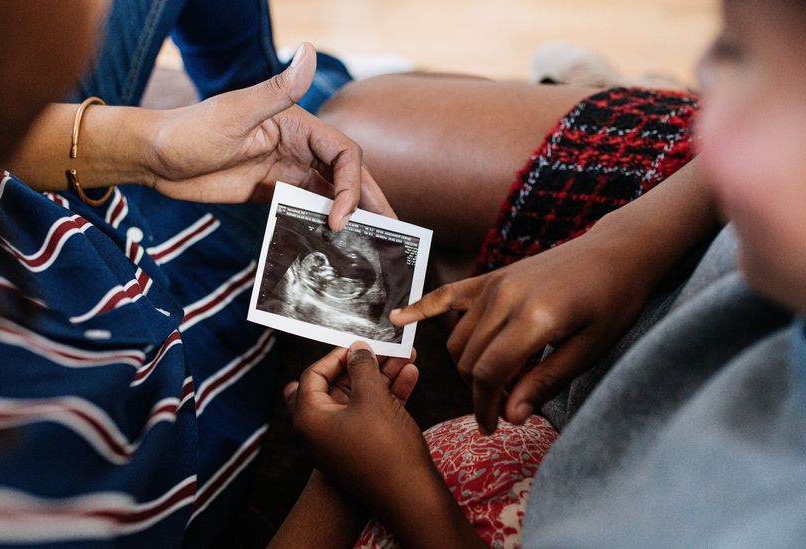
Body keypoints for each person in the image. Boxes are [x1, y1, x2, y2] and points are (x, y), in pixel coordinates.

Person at [0, 1, 391, 547]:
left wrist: (151, 146)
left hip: (84, 219)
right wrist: (349, 479)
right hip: (178, 367)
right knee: (330, 102)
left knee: (292, 121)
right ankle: (328, 84)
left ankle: (280, 84)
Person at [277, 0, 806, 546]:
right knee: (352, 120)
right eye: (725, 47)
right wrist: (624, 240)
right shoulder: (752, 168)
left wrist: (393, 484)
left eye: (736, 55)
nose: (703, 92)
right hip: (692, 232)